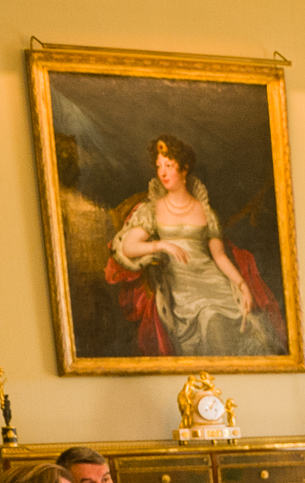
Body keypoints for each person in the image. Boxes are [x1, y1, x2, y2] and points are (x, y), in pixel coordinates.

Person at [105, 134, 287, 357]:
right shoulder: (153, 209)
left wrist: (241, 285)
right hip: (183, 289)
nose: (162, 172)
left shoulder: (205, 211)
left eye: (169, 165)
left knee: (239, 328)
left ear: (184, 169)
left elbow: (219, 256)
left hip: (214, 282)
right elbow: (127, 248)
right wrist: (162, 245)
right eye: (159, 166)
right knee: (211, 318)